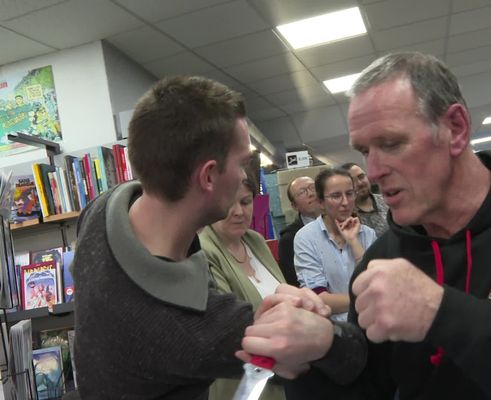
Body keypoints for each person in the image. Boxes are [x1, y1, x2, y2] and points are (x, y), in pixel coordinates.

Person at [244, 52, 491, 399]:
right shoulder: (383, 259)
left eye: (391, 143)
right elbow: (369, 387)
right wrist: (316, 354)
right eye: (365, 150)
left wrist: (441, 312)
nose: (372, 172)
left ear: (455, 128)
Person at [72, 75, 334, 399]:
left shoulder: (100, 212)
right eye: (241, 163)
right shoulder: (192, 327)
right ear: (208, 175)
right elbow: (331, 364)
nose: (243, 176)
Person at [199, 175, 287, 400]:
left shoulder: (255, 240)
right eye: (229, 203)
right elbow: (228, 324)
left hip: (279, 370)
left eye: (246, 202)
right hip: (239, 380)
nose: (239, 211)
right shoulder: (202, 251)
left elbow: (284, 294)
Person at [294, 168, 376, 321]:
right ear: (321, 203)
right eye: (336, 196)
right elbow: (318, 298)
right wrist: (365, 299)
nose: (345, 202)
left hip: (370, 322)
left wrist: (353, 242)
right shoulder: (306, 238)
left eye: (350, 194)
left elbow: (374, 283)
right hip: (332, 330)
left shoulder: (368, 234)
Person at [278, 176, 321, 286]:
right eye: (302, 192)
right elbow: (293, 281)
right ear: (294, 206)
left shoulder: (341, 223)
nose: (311, 194)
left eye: (313, 187)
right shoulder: (289, 238)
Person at [340, 162, 389, 236]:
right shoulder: (346, 213)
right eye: (352, 181)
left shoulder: (387, 202)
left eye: (361, 176)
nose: (360, 183)